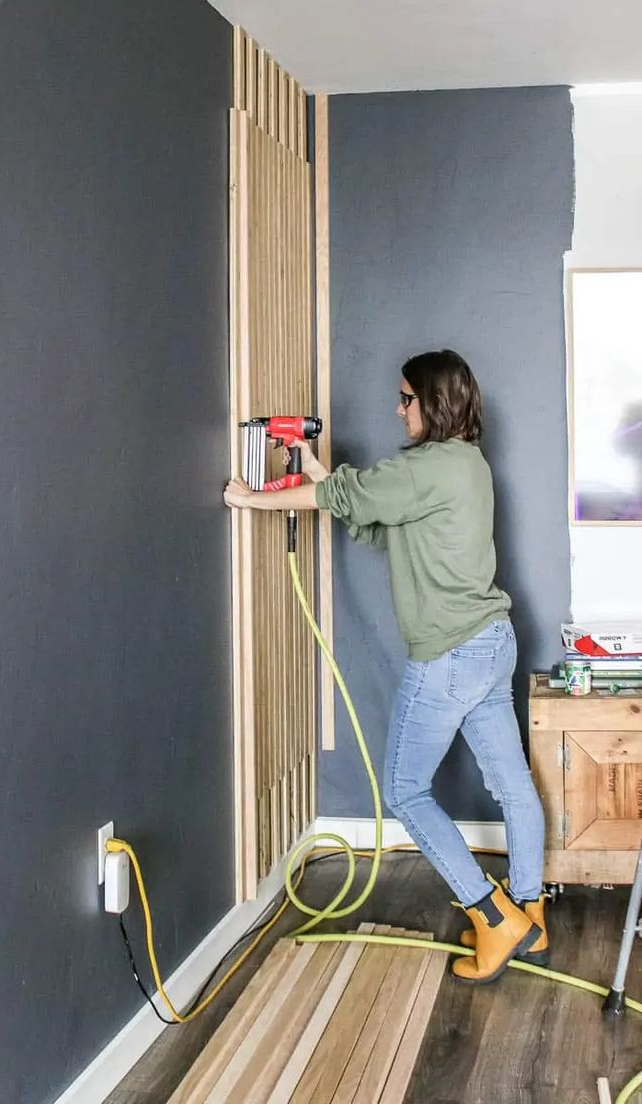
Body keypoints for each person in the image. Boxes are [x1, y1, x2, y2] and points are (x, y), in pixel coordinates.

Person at [224, 349, 547, 984]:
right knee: (512, 786)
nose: (398, 409)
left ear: (434, 401)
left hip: (450, 656)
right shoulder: (467, 465)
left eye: (406, 398)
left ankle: (493, 915)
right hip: (491, 643)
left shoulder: (424, 468)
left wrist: (250, 498)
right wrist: (316, 469)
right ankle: (530, 916)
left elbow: (351, 495)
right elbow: (378, 520)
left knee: (405, 791)